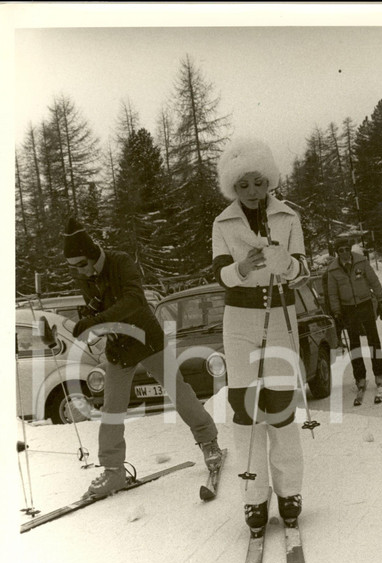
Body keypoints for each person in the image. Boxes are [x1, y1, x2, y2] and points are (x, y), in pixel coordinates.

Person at [63, 218, 222, 497]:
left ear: (91, 256)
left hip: (147, 339)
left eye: (79, 265)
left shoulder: (120, 262)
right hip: (119, 348)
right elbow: (95, 307)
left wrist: (98, 318)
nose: (76, 272)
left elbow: (134, 301)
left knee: (179, 393)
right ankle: (113, 471)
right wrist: (87, 321)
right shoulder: (85, 277)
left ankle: (209, 442)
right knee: (112, 408)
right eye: (71, 267)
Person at [212, 137, 309, 535]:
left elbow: (302, 271)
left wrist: (286, 263)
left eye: (258, 183)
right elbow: (219, 274)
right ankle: (254, 497)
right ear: (233, 189)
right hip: (240, 319)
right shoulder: (223, 222)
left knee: (281, 405)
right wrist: (243, 268)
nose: (252, 192)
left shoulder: (288, 217)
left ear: (269, 181)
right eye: (243, 186)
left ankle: (289, 491)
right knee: (246, 406)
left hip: (281, 314)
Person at [325, 234, 382, 397]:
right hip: (348, 309)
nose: (344, 253)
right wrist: (337, 312)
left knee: (373, 339)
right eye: (341, 250)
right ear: (337, 252)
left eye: (346, 249)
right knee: (354, 344)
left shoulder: (361, 261)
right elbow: (332, 294)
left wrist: (381, 301)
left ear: (350, 249)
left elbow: (374, 281)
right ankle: (360, 377)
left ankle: (379, 374)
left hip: (365, 303)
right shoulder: (333, 270)